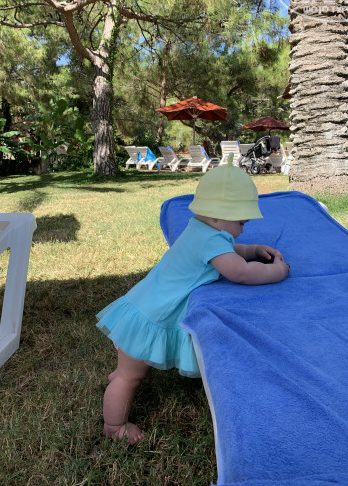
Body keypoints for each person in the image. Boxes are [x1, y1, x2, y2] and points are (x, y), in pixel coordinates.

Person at [96, 154, 290, 444]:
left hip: (143, 306)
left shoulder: (200, 229)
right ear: (217, 217)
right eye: (241, 222)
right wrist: (276, 271)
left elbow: (228, 250)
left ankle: (121, 372)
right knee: (129, 378)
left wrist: (251, 250)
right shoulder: (210, 239)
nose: (243, 228)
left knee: (129, 367)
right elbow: (240, 273)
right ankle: (114, 426)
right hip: (151, 317)